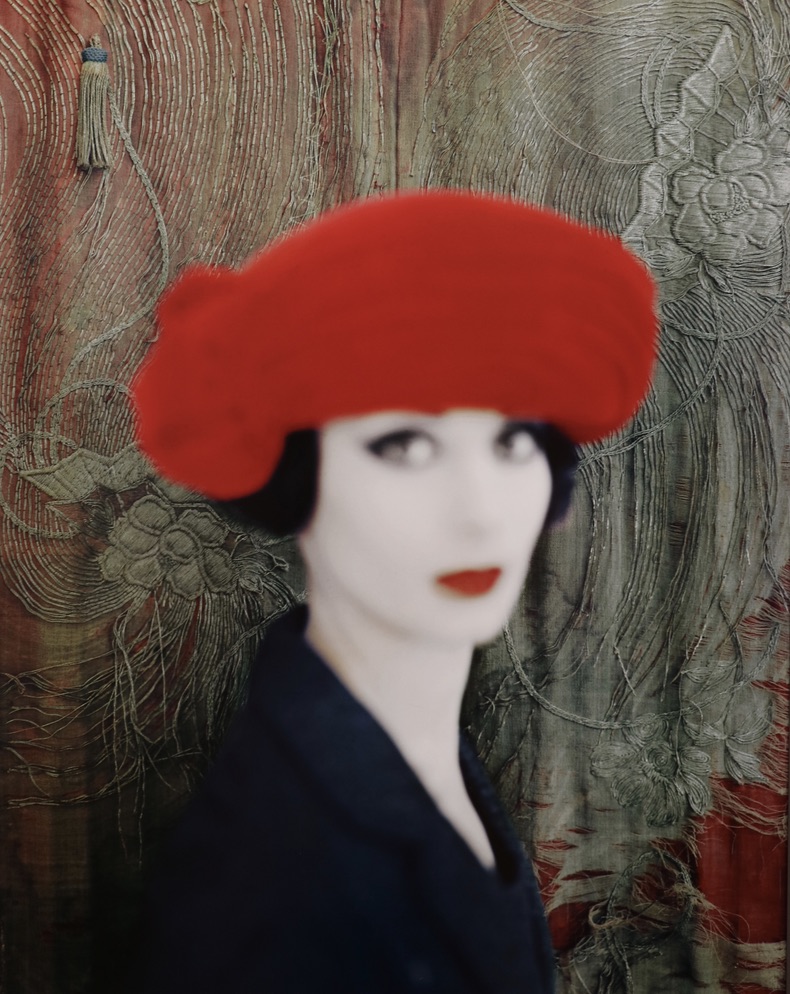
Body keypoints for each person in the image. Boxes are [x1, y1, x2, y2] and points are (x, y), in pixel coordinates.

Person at [131, 190, 656, 993]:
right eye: (405, 445)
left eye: (514, 440)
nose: (480, 513)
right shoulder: (271, 887)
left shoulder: (410, 756)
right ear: (298, 475)